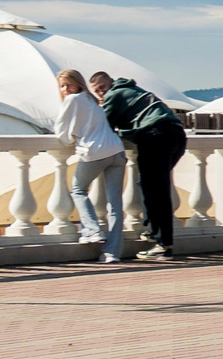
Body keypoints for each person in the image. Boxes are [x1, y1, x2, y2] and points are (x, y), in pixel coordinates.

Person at [89, 70, 188, 261]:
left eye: (103, 87)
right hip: (176, 134)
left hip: (155, 136)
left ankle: (163, 244)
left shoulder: (115, 94)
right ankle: (153, 231)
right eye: (97, 91)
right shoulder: (134, 90)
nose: (102, 93)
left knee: (156, 191)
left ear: (111, 82)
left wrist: (100, 107)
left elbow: (103, 126)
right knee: (150, 185)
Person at [52, 69, 127, 262]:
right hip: (117, 152)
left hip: (94, 153)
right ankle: (112, 253)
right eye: (62, 86)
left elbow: (61, 132)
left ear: (78, 84)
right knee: (115, 205)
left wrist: (70, 139)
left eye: (68, 85)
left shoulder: (72, 100)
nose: (65, 89)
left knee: (78, 190)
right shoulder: (92, 100)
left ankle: (92, 230)